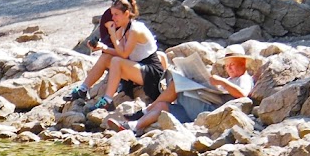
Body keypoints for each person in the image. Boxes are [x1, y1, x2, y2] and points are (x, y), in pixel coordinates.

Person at [109, 46, 255, 133]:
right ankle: (132, 127)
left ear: (243, 63)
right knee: (162, 107)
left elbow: (243, 95)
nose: (228, 68)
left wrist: (222, 81)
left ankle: (143, 111)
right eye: (227, 65)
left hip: (210, 112)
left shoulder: (244, 79)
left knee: (176, 84)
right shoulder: (230, 80)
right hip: (194, 110)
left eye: (232, 65)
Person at [67, 0, 164, 111]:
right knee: (106, 57)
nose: (113, 18)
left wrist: (113, 34)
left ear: (127, 13)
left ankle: (107, 100)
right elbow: (119, 51)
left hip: (150, 71)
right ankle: (83, 89)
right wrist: (101, 47)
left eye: (116, 14)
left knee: (117, 61)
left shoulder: (135, 30)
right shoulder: (123, 29)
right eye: (112, 14)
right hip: (137, 67)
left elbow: (123, 54)